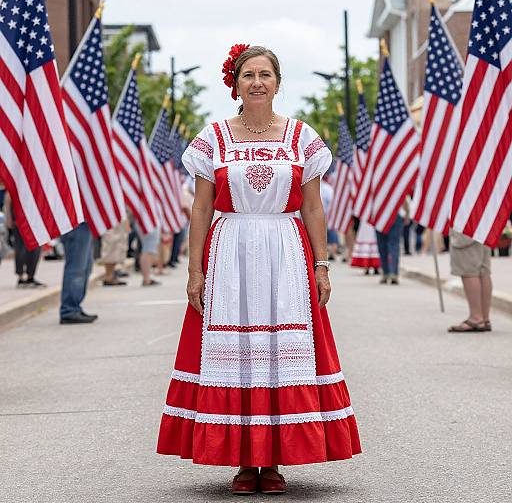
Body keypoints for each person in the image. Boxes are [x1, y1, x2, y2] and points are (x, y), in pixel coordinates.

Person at [156, 45, 361, 496]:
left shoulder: (301, 137)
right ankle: (245, 461)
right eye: (248, 74)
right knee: (239, 353)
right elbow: (202, 206)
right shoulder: (213, 138)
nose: (257, 82)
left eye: (265, 74)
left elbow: (313, 206)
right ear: (235, 82)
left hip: (286, 253)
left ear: (278, 82)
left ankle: (273, 460)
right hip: (230, 253)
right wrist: (195, 270)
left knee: (279, 353)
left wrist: (322, 265)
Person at [447, 229, 492, 333]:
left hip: (467, 222)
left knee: (469, 270)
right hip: (483, 222)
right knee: (483, 270)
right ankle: (484, 318)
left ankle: (476, 318)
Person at [4, 192, 46, 288]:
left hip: (35, 217)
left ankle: (30, 276)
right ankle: (21, 277)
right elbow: (8, 197)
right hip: (19, 218)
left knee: (36, 247)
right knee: (20, 248)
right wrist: (9, 218)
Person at [60, 222, 97, 324]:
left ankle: (74, 307)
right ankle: (69, 310)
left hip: (82, 222)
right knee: (77, 268)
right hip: (75, 223)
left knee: (85, 267)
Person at [376, 200, 409, 285]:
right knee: (393, 245)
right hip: (394, 214)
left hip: (381, 214)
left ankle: (386, 273)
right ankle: (393, 273)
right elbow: (403, 198)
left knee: (383, 246)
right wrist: (407, 213)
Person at [101, 220, 129, 286]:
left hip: (116, 219)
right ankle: (109, 276)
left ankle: (111, 274)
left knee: (118, 246)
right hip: (111, 219)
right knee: (111, 245)